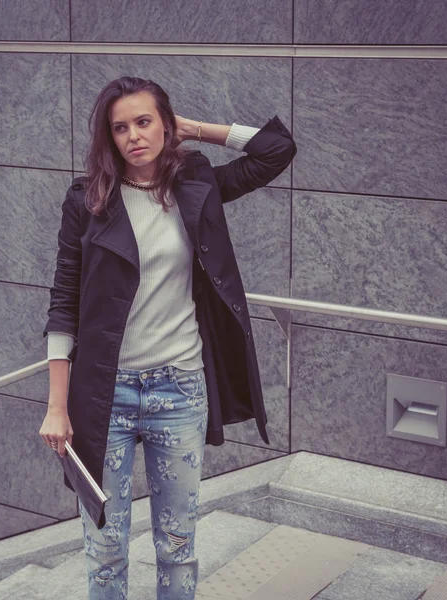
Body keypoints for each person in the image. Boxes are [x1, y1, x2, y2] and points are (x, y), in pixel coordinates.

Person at [39, 75, 297, 600]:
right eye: (120, 127)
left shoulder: (196, 184)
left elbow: (276, 150)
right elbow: (64, 303)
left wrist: (198, 130)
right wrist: (56, 407)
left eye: (144, 121)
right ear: (107, 138)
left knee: (177, 547)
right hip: (103, 396)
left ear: (165, 124)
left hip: (178, 389)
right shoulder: (87, 201)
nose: (133, 135)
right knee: (105, 551)